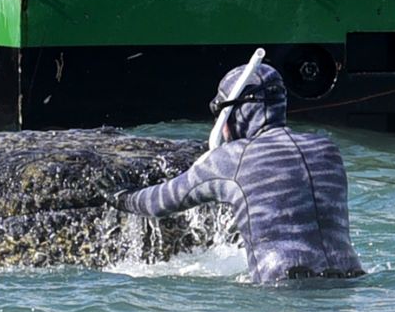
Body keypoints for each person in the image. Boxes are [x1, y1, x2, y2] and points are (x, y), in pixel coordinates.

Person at [105, 63, 365, 283]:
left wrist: (117, 195)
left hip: (284, 288)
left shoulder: (233, 159)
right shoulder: (327, 149)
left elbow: (157, 203)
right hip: (350, 280)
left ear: (233, 114)